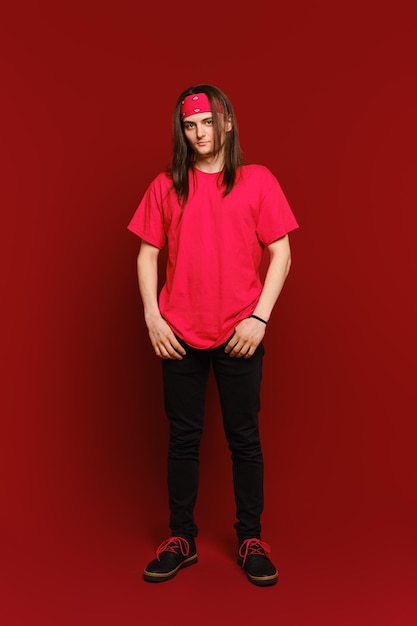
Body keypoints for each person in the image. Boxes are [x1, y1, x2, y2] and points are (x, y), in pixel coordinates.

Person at [127, 83, 299, 586]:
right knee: (183, 439)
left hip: (240, 331)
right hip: (178, 330)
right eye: (190, 124)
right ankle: (181, 538)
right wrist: (152, 318)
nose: (200, 132)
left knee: (244, 439)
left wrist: (260, 317)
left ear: (226, 123)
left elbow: (282, 254)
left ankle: (250, 538)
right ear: (183, 130)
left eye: (208, 122)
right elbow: (146, 256)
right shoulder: (166, 185)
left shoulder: (258, 180)